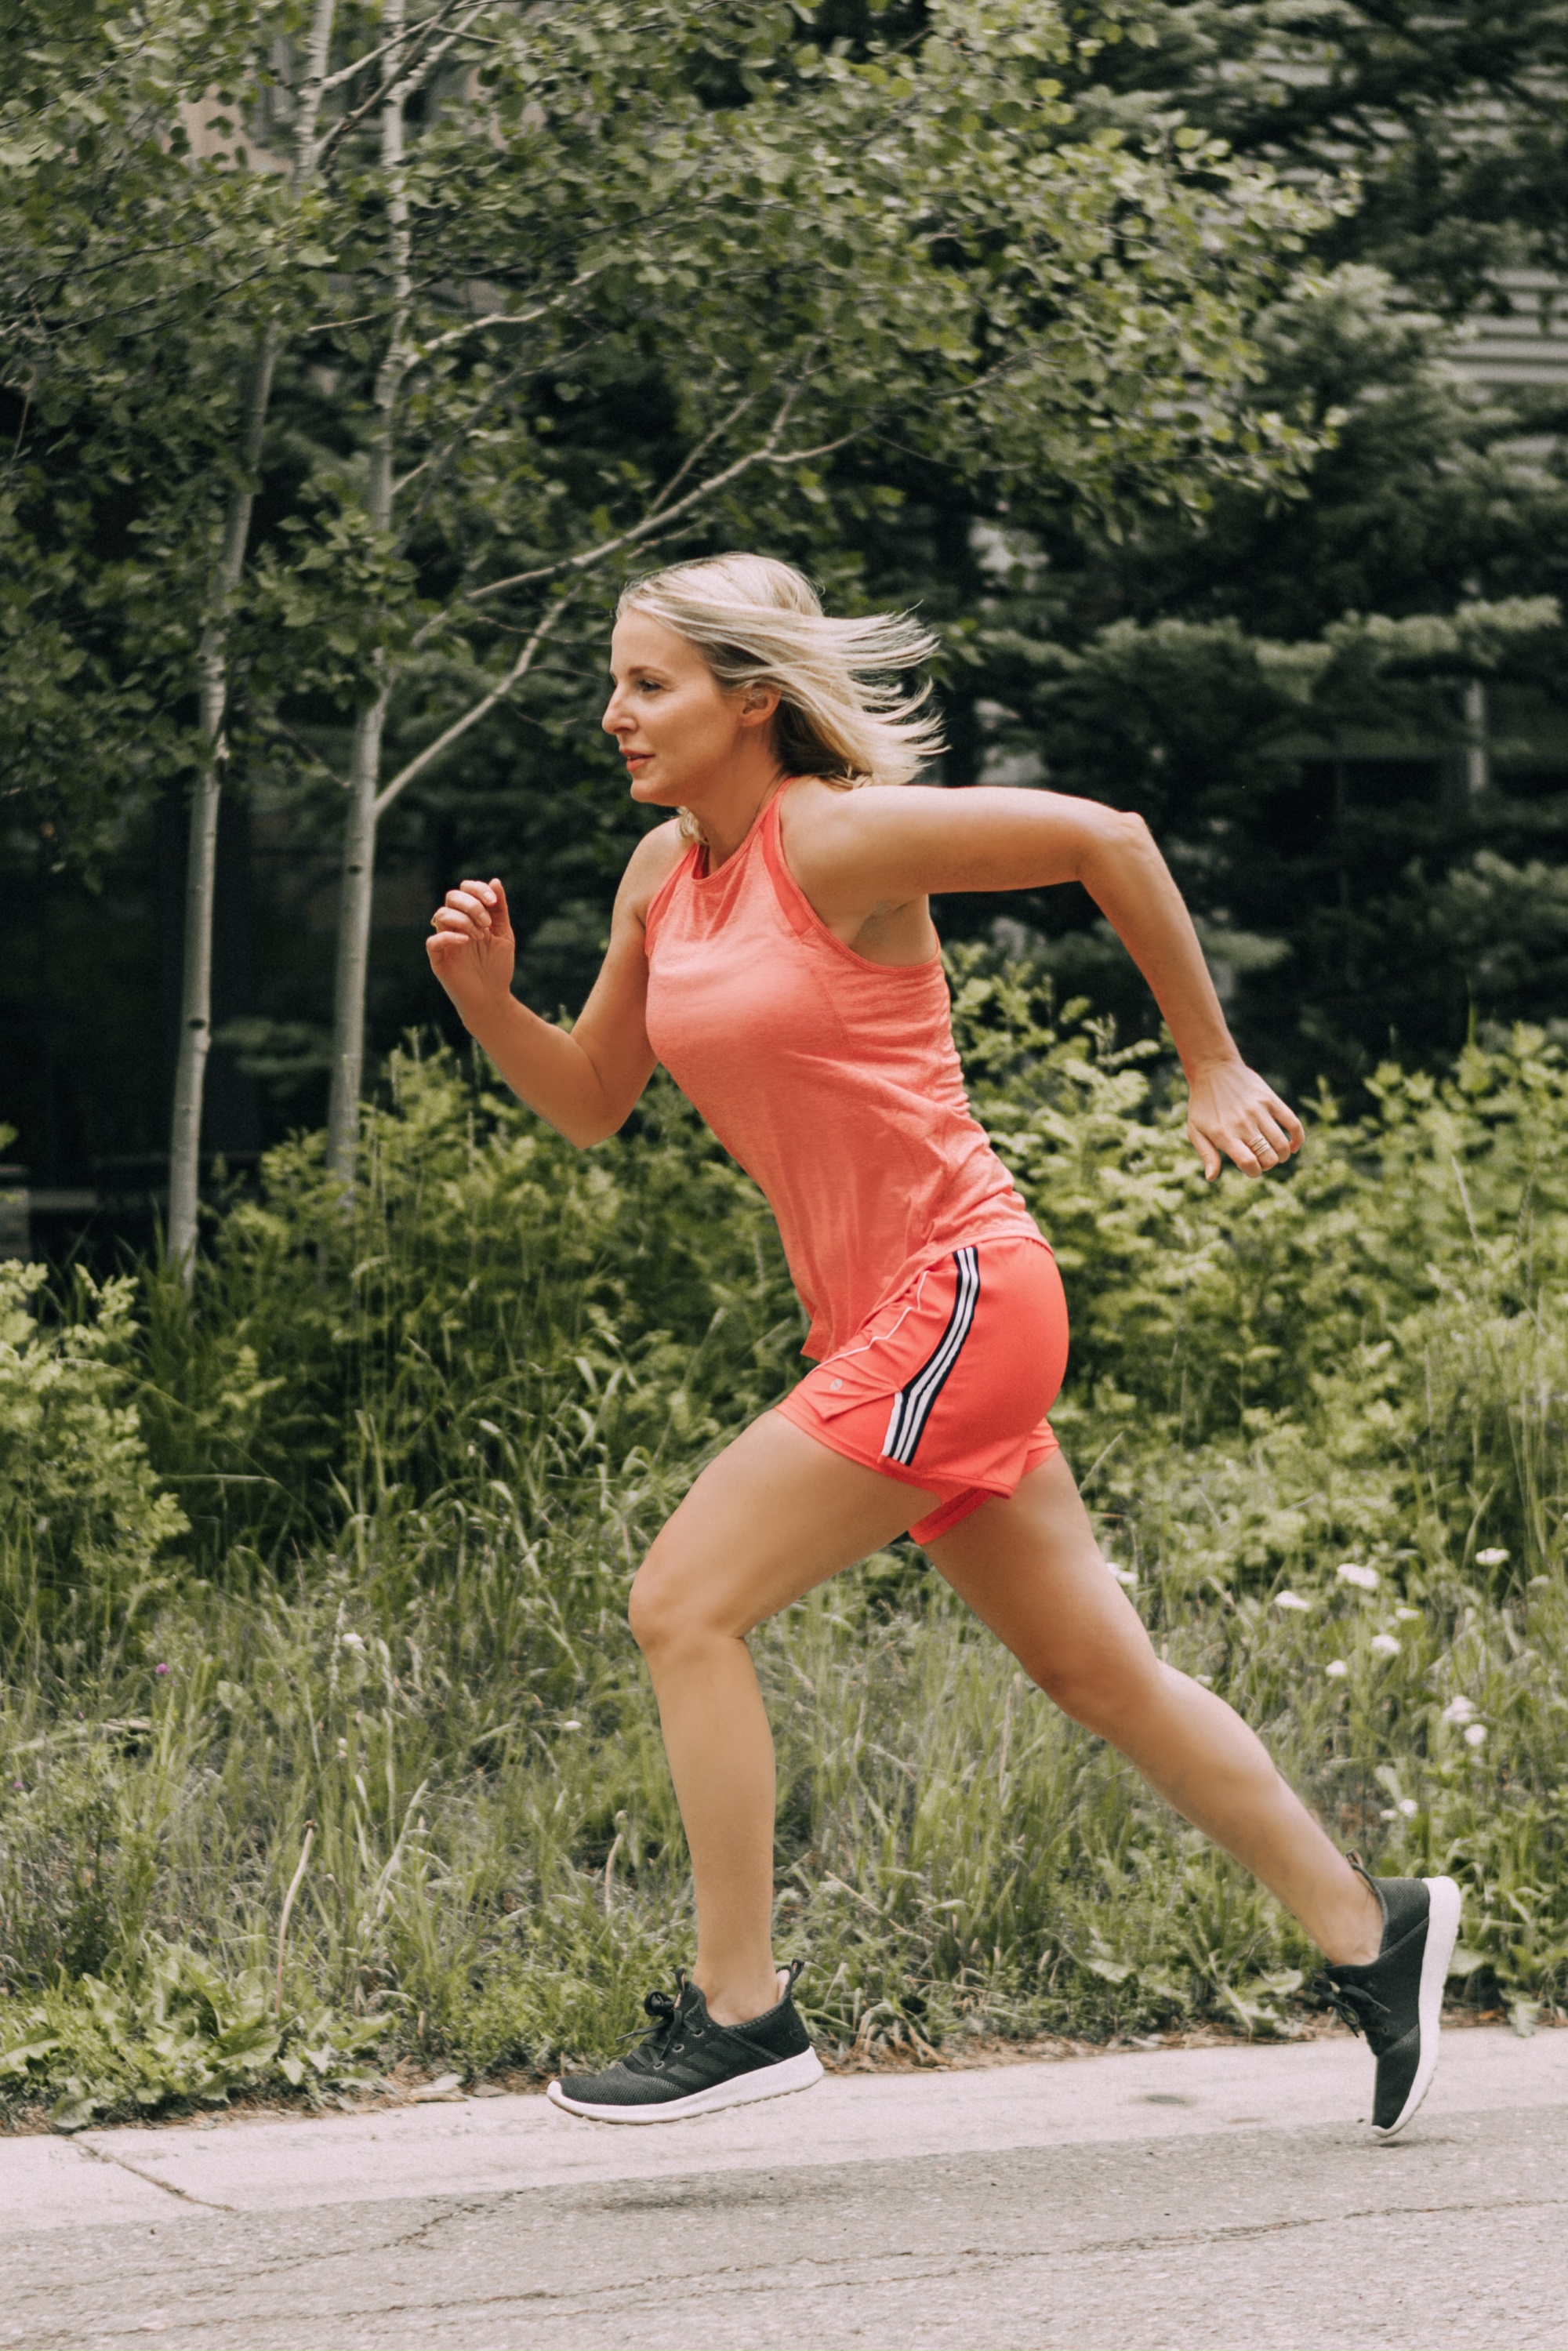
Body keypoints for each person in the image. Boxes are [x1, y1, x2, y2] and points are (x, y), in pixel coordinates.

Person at [426, 554, 1460, 2139]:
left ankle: (739, 2006)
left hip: (959, 1295)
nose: (615, 713)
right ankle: (1367, 1929)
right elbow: (589, 1101)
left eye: (649, 684)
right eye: (616, 683)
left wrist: (1208, 1062)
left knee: (680, 1605)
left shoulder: (831, 838)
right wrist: (487, 1001)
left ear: (749, 697)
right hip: (890, 1325)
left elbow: (1100, 840)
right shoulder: (661, 876)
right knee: (1093, 1670)